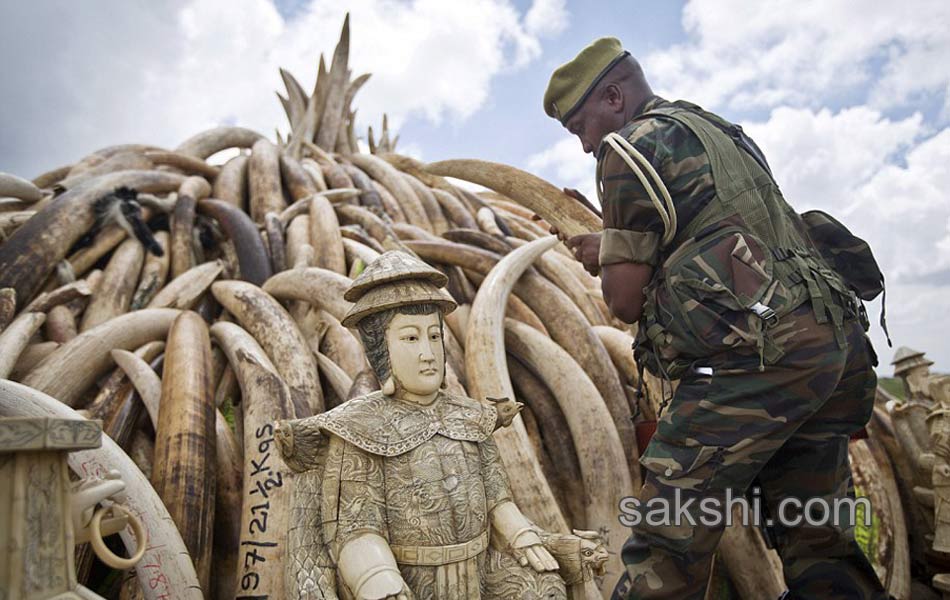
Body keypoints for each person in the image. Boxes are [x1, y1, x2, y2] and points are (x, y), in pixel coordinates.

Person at [542, 37, 889, 599]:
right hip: (834, 348)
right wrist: (612, 243)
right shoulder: (718, 132)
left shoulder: (627, 150)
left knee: (666, 540)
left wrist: (608, 258)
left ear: (612, 96)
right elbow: (719, 231)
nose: (585, 146)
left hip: (758, 361)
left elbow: (624, 301)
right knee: (817, 535)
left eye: (580, 126)